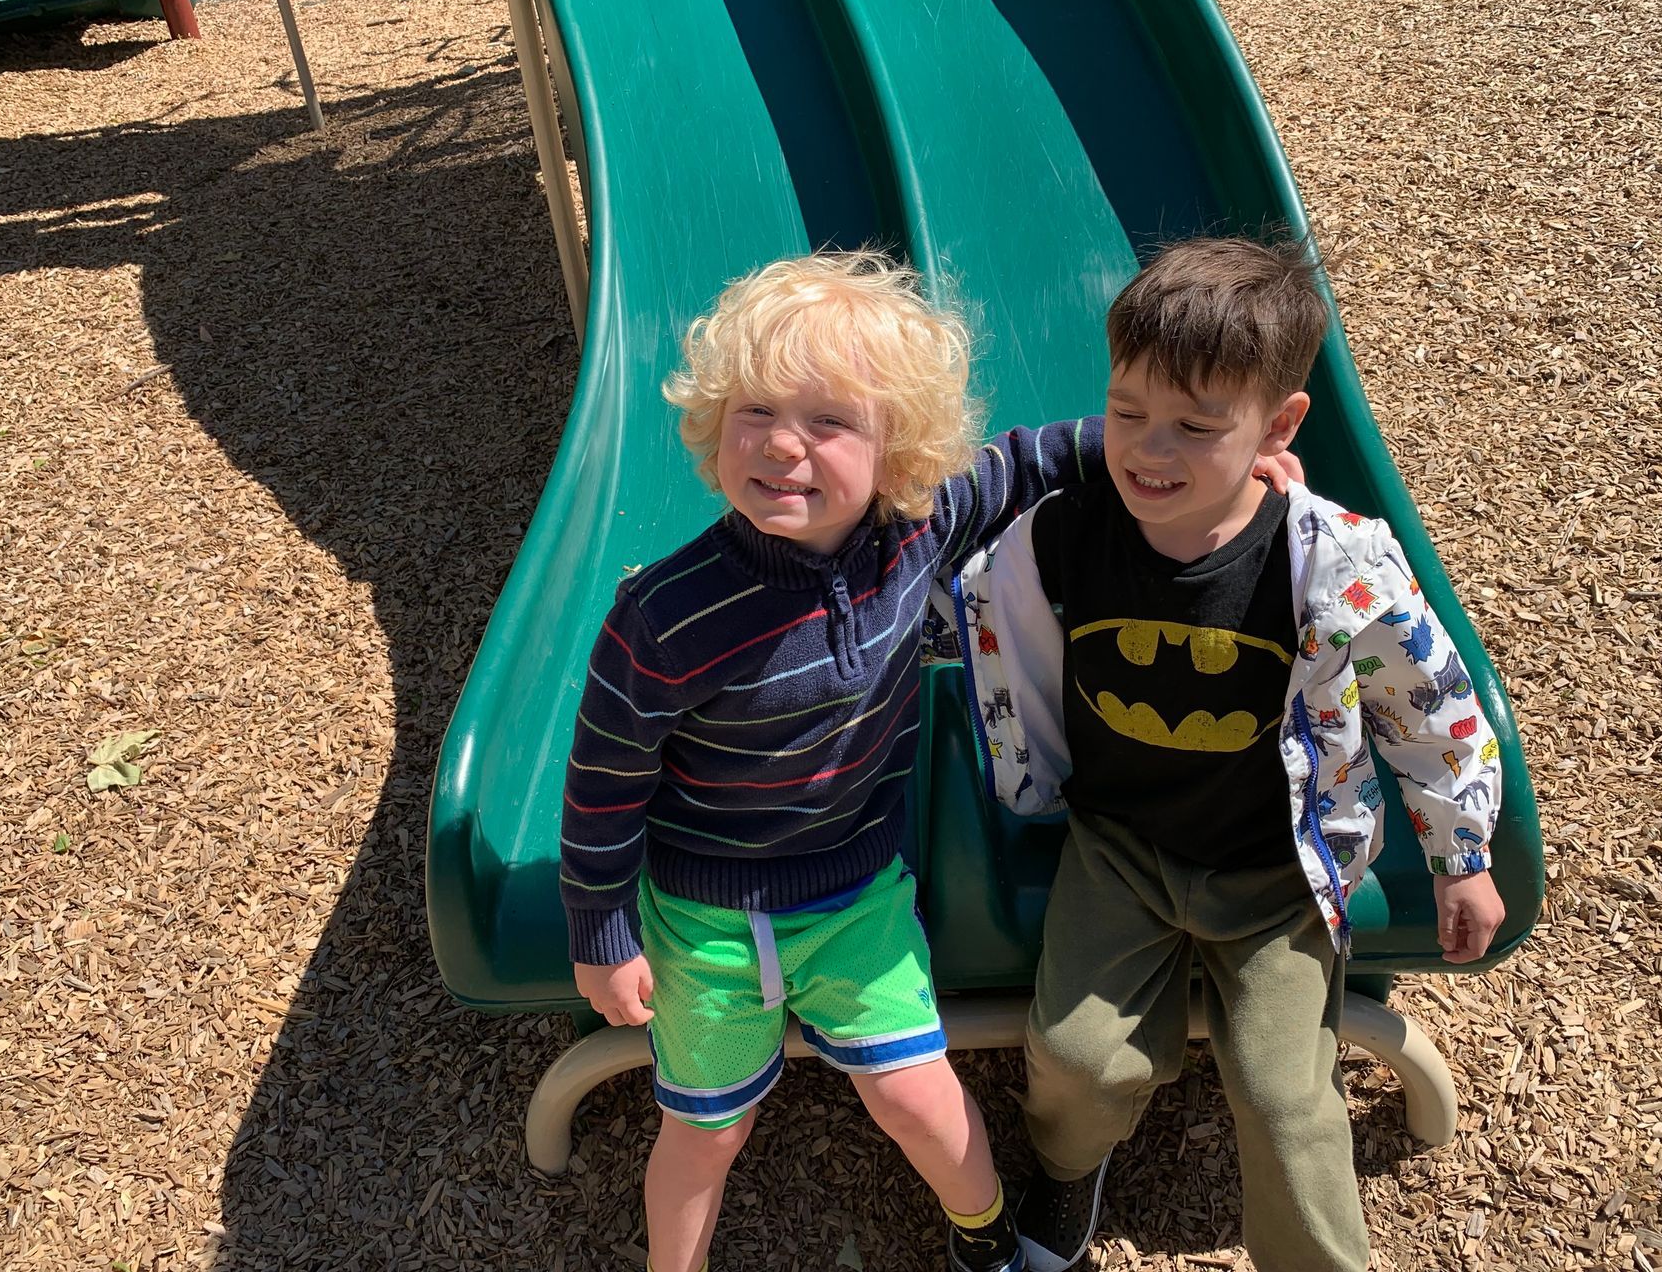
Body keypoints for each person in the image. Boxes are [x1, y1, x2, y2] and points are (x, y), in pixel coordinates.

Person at [957, 237, 1508, 1272]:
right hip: (1121, 846)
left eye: (1196, 428)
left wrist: (1462, 852)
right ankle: (1070, 1171)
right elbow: (983, 607)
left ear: (1278, 425)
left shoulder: (1329, 561)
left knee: (1285, 1096)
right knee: (1076, 1062)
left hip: (1274, 870)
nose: (1148, 450)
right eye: (1126, 411)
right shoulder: (1066, 535)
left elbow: (1421, 698)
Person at [557, 250, 1108, 1272]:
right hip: (710, 914)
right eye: (755, 411)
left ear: (899, 453)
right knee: (709, 1128)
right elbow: (603, 782)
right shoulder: (667, 615)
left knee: (914, 1090)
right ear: (714, 423)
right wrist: (601, 927)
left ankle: (987, 1239)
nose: (781, 445)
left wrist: (1160, 449)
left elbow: (1031, 459)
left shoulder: (919, 525)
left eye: (828, 422)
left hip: (854, 893)